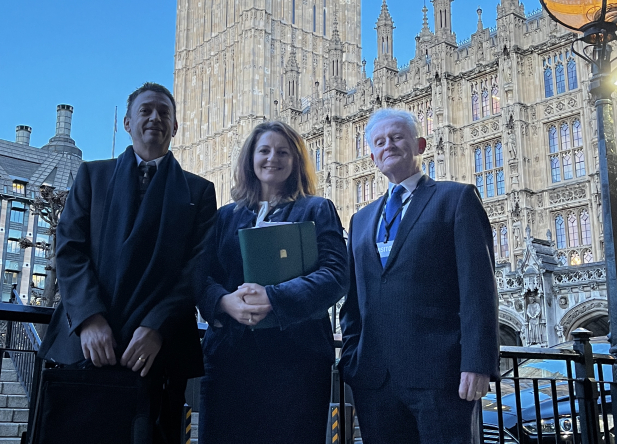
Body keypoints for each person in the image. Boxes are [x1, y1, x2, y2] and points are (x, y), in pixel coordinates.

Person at [38, 82, 216, 443]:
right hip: (89, 348)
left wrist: (155, 327)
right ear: (127, 123)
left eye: (164, 113)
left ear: (176, 126)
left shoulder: (199, 192)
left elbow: (197, 268)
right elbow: (70, 250)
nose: (155, 118)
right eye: (146, 111)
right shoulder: (92, 175)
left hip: (158, 353)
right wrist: (89, 318)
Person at [339, 108, 499, 444]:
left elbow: (478, 288)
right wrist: (352, 358)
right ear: (372, 157)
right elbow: (354, 300)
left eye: (397, 137)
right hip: (374, 378)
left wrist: (478, 363)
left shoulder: (455, 198)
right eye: (380, 142)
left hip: (439, 375)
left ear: (421, 144)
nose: (388, 146)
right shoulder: (361, 220)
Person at [198, 121, 349, 444]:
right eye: (264, 150)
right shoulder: (225, 216)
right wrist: (225, 302)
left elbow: (336, 274)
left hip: (296, 363)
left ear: (296, 160)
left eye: (283, 152)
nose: (272, 158)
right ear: (250, 159)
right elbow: (201, 276)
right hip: (229, 360)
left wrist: (273, 298)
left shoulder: (316, 209)